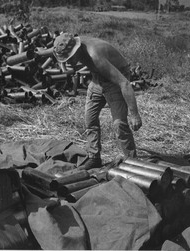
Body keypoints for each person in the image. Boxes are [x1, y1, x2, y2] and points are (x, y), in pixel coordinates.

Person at [53, 33, 142, 169]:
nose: (69, 63)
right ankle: (94, 157)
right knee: (90, 119)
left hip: (115, 80)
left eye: (69, 58)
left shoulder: (95, 56)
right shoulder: (74, 42)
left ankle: (132, 162)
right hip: (97, 79)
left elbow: (124, 83)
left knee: (119, 124)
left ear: (76, 50)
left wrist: (134, 114)